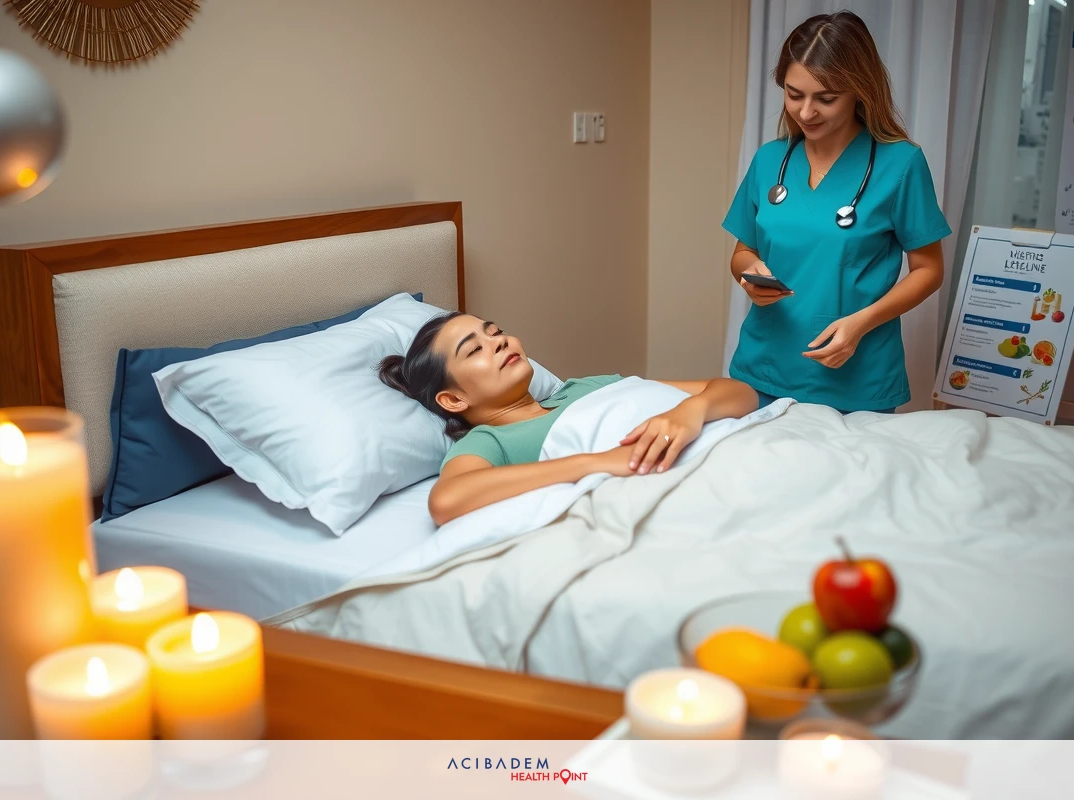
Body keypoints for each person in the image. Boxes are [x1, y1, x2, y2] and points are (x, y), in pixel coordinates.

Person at [723, 10, 952, 414]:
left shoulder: (900, 165)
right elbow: (743, 252)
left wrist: (861, 323)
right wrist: (750, 276)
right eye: (794, 94)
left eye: (826, 98)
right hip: (764, 366)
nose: (806, 112)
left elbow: (929, 270)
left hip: (853, 373)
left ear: (859, 91)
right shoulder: (770, 160)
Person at [379, 312, 758, 525]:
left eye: (495, 332)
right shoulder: (492, 440)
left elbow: (739, 392)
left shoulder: (585, 387)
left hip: (739, 449)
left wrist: (690, 411)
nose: (499, 341)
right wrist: (599, 462)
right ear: (454, 398)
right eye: (476, 349)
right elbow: (447, 500)